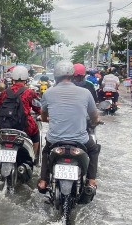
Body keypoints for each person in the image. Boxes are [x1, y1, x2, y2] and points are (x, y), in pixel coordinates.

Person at [37, 61, 101, 194]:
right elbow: (94, 116)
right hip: (81, 141)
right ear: (72, 75)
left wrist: (47, 119)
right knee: (94, 149)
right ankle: (91, 180)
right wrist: (95, 122)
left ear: (55, 76)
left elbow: (43, 116)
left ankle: (43, 181)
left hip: (55, 140)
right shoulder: (85, 92)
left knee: (45, 152)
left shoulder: (48, 93)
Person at [0, 65, 41, 158]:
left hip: (5, 125)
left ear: (13, 79)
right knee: (36, 133)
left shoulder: (4, 92)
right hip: (24, 126)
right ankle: (33, 158)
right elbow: (38, 108)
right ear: (26, 79)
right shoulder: (29, 92)